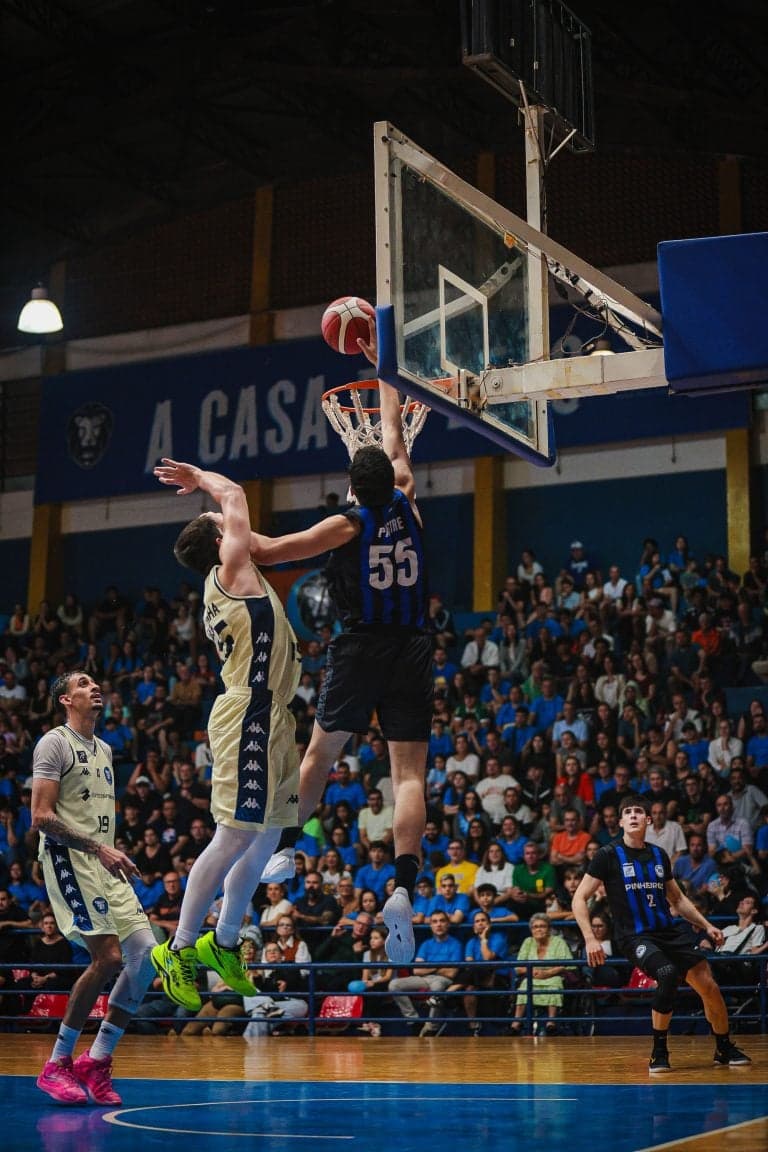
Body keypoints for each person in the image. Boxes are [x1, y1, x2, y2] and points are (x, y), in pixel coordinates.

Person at [238, 360, 432, 966]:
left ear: (352, 483)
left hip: (360, 645)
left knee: (321, 753)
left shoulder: (345, 526)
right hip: (413, 646)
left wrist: (225, 509)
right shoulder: (406, 496)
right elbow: (394, 426)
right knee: (408, 778)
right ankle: (402, 886)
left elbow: (266, 550)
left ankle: (289, 845)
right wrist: (387, 360)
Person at [149, 459, 302, 1013]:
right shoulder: (232, 569)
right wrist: (200, 480)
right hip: (248, 711)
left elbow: (278, 540)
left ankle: (226, 939)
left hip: (276, 713)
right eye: (224, 523)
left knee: (270, 831)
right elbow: (235, 490)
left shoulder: (241, 571)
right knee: (235, 834)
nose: (233, 522)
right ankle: (181, 947)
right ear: (221, 539)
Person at [30, 670, 157, 1106]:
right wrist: (98, 847)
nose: (94, 687)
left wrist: (106, 850)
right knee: (108, 957)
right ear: (65, 699)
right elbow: (41, 817)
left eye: (94, 682)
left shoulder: (103, 748)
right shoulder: (54, 742)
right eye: (82, 684)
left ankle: (96, 1058)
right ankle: (56, 1063)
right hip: (72, 858)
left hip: (104, 861)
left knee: (146, 957)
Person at [572, 794, 750, 1073]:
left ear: (648, 820)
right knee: (667, 973)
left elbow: (678, 900)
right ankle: (659, 1050)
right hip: (634, 936)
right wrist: (590, 938)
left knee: (708, 985)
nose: (633, 815)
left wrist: (707, 925)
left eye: (638, 812)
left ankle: (723, 1047)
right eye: (627, 812)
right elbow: (579, 898)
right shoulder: (607, 855)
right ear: (620, 821)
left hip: (668, 930)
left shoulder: (658, 854)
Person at [509, 912, 574, 1035]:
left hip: (553, 976)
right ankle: (516, 1024)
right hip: (532, 976)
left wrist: (548, 973)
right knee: (525, 985)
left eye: (542, 926)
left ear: (549, 929)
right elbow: (518, 968)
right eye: (535, 927)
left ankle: (551, 1023)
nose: (538, 929)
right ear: (531, 930)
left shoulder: (558, 942)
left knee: (555, 983)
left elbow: (565, 964)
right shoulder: (528, 942)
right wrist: (532, 971)